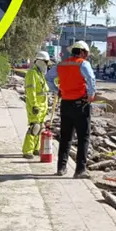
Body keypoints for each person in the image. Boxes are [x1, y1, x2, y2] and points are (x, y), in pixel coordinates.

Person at [45, 41, 97, 178]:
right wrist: (91, 94)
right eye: (86, 53)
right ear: (81, 52)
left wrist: (57, 91)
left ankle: (61, 168)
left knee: (65, 137)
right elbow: (91, 78)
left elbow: (48, 77)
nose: (86, 56)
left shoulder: (61, 64)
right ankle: (80, 170)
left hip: (66, 104)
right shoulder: (83, 64)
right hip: (81, 104)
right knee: (83, 138)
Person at [22, 51, 51, 158]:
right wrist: (34, 105)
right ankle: (27, 150)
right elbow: (31, 91)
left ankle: (36, 148)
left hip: (42, 106)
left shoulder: (40, 74)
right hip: (35, 105)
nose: (47, 64)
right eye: (46, 62)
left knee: (41, 128)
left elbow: (43, 90)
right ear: (40, 61)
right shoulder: (32, 73)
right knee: (35, 127)